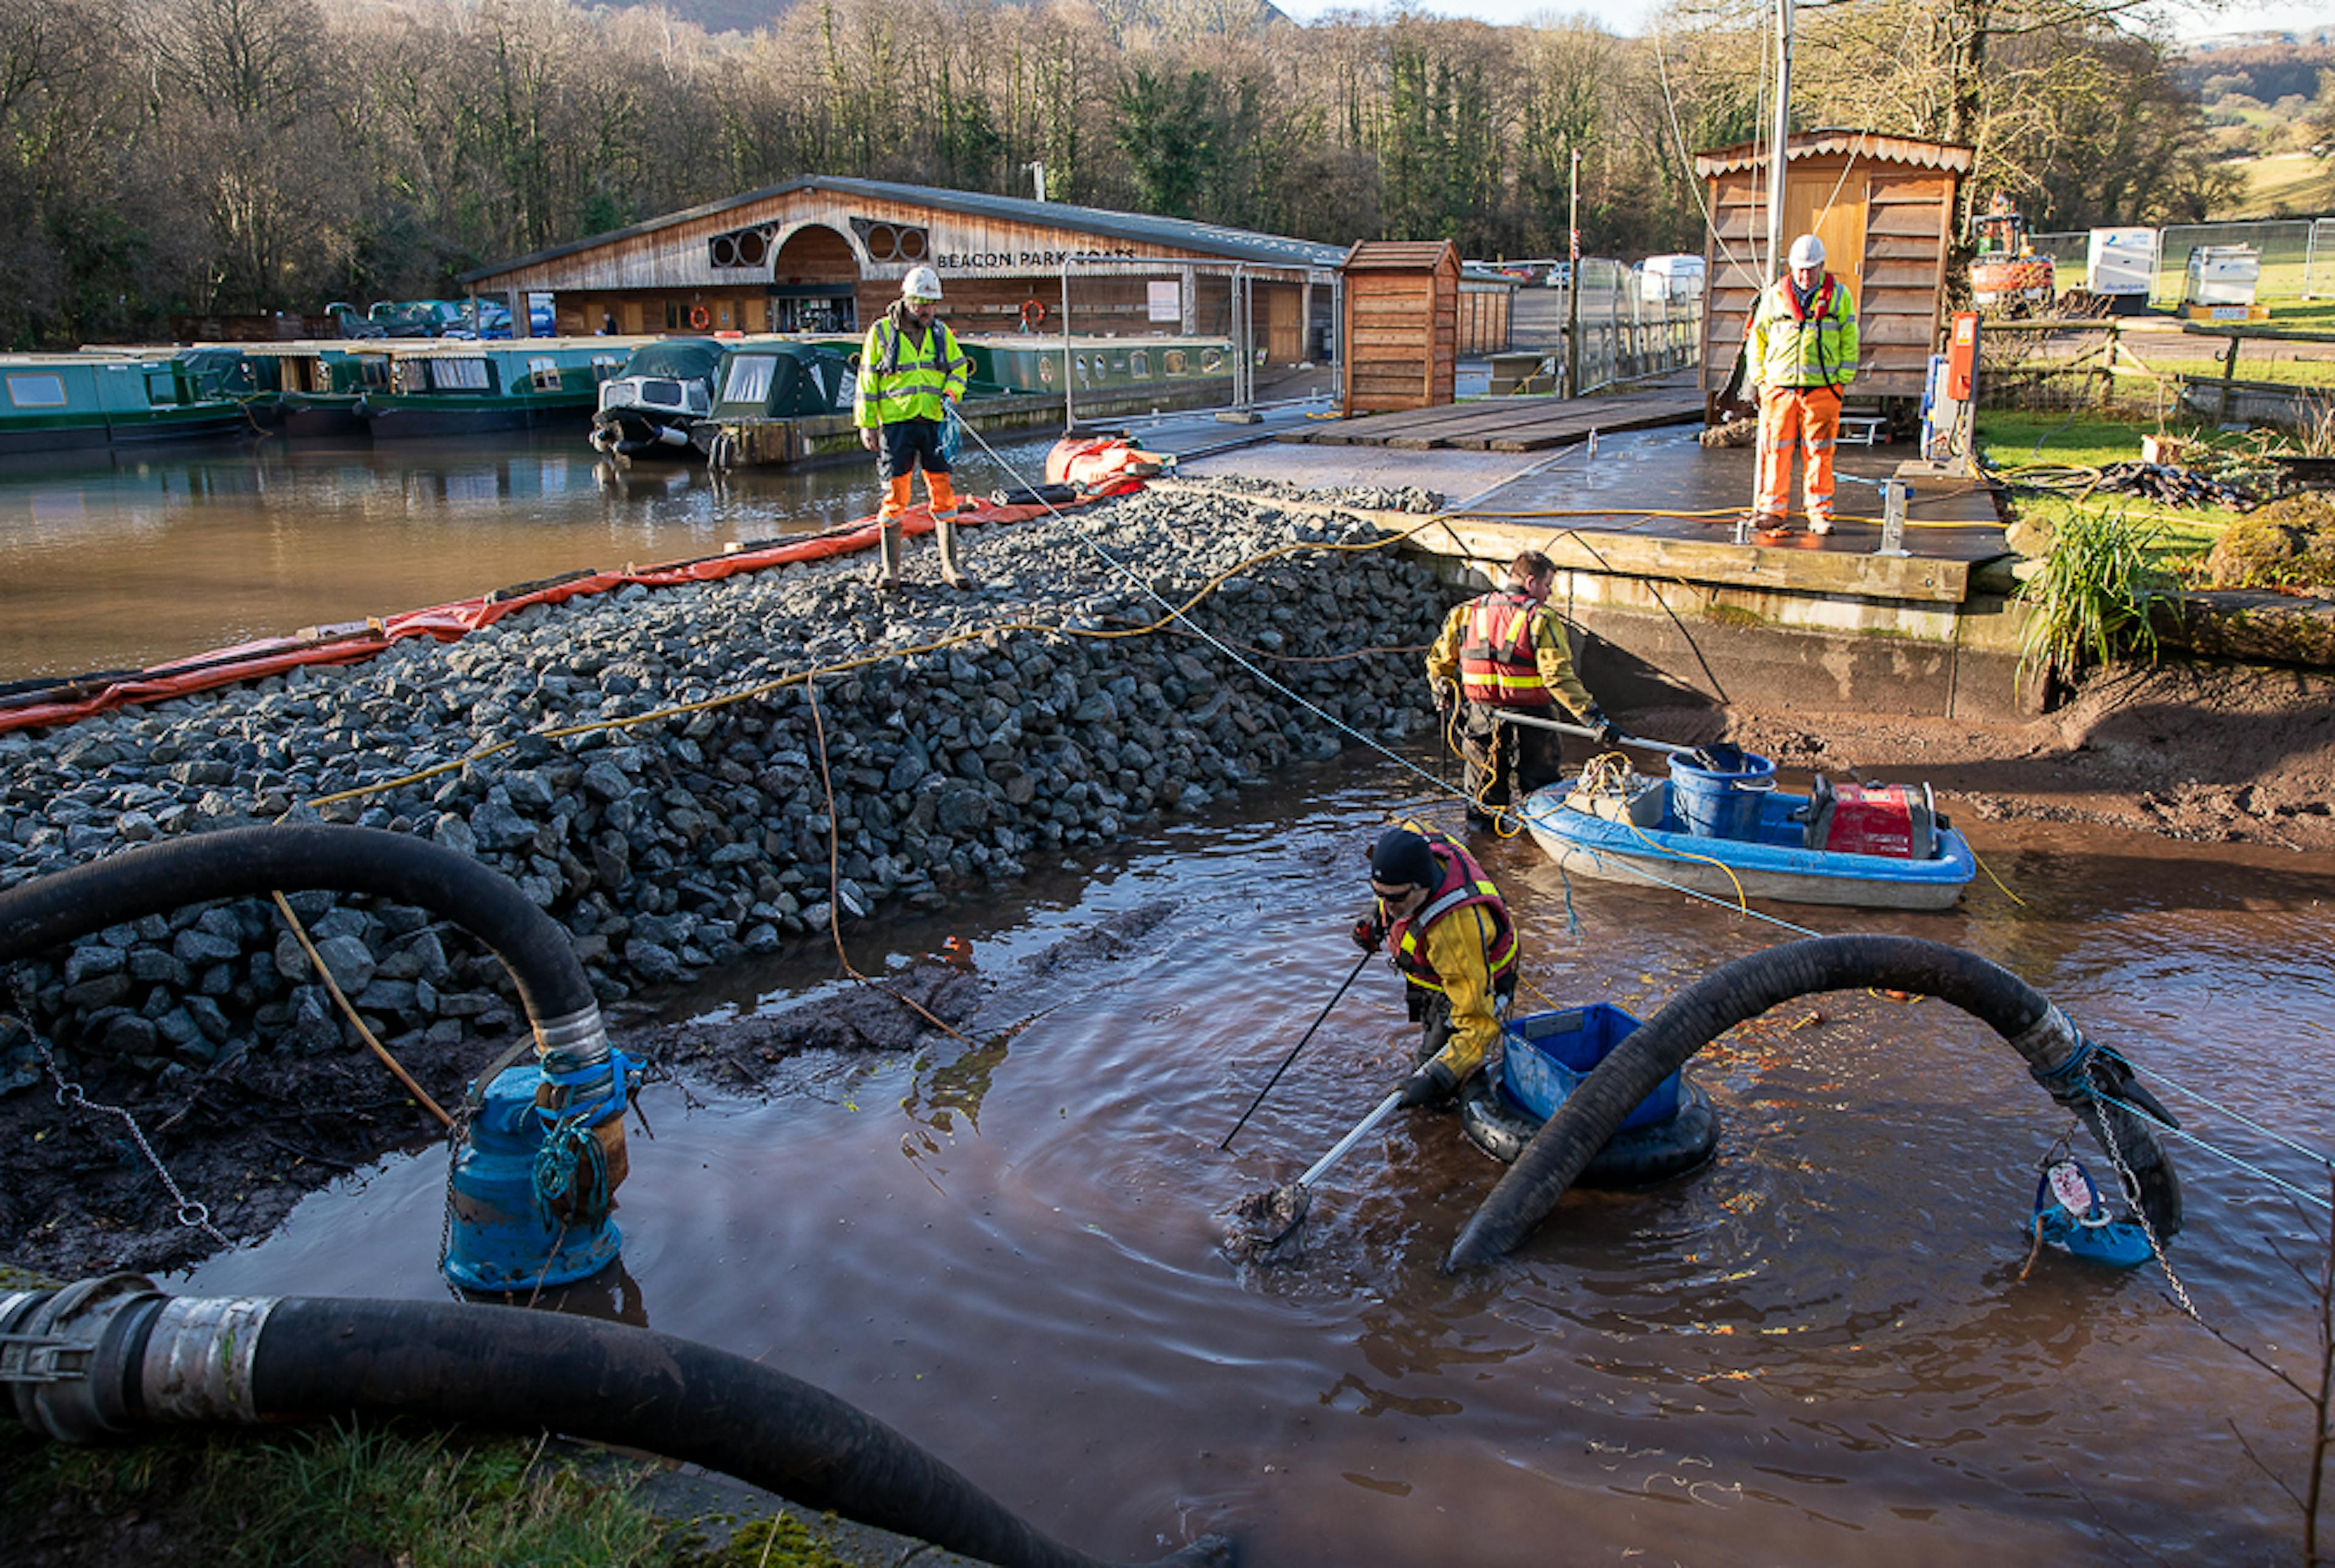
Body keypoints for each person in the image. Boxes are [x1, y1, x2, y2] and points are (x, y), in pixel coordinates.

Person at [1425, 549, 1616, 829]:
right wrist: (1594, 718)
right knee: (1541, 796)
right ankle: (1538, 850)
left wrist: (1442, 692)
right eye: (1547, 585)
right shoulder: (1541, 619)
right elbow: (1558, 678)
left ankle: (1484, 858)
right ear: (1530, 582)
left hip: (1481, 718)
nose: (1549, 593)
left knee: (1483, 797)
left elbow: (1439, 661)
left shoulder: (1467, 613)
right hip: (1533, 720)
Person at [1351, 823, 1519, 1110]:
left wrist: (1435, 1078)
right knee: (1429, 1032)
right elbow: (1393, 883)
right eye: (1379, 894)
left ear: (1422, 884)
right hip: (1433, 979)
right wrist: (1373, 918)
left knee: (1431, 1079)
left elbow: (1478, 1026)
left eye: (1396, 899)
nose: (1387, 905)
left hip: (1469, 986)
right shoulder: (1415, 848)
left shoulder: (1454, 933)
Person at [855, 265, 977, 590]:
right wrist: (866, 424)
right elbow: (867, 382)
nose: (927, 310)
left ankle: (951, 567)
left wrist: (952, 392)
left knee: (944, 493)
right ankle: (891, 571)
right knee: (895, 495)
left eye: (932, 303)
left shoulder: (941, 334)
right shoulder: (881, 334)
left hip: (934, 422)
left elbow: (958, 369)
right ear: (907, 300)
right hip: (896, 425)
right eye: (921, 303)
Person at [1746, 232, 1859, 537]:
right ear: (1792, 267)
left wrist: (1842, 380)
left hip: (1822, 389)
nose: (1805, 275)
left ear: (1821, 267)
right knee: (1776, 450)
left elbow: (1850, 337)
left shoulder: (1839, 297)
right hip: (1780, 390)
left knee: (1820, 452)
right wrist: (1760, 379)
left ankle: (1819, 511)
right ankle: (1771, 510)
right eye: (1800, 269)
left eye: (1811, 269)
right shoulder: (1775, 296)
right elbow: (1757, 338)